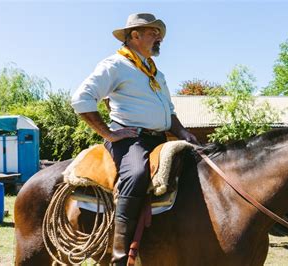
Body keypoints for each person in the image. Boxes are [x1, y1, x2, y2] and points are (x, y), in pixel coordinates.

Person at [71, 13, 198, 265]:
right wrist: (108, 133)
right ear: (134, 36)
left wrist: (183, 132)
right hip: (131, 141)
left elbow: (169, 111)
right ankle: (120, 257)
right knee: (137, 174)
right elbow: (81, 99)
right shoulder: (114, 65)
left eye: (158, 33)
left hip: (161, 139)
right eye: (153, 33)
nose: (158, 37)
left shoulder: (156, 73)